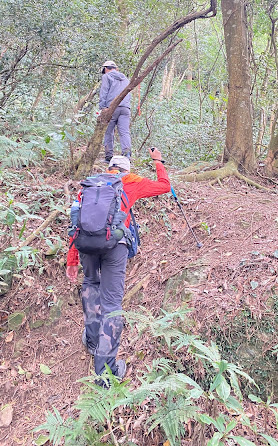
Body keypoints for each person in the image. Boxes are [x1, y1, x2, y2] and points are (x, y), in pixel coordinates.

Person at [66, 147, 170, 382]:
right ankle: (105, 373)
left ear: (109, 168)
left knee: (91, 285)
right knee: (112, 303)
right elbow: (164, 186)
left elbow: (77, 222)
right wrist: (158, 161)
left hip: (86, 245)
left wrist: (72, 260)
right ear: (126, 169)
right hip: (115, 246)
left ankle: (92, 342)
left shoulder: (91, 186)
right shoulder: (131, 182)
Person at [99, 60, 131, 163]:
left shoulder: (106, 77)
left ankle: (109, 157)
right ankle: (127, 155)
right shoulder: (125, 78)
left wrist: (103, 107)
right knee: (124, 132)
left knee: (108, 132)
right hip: (125, 108)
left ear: (105, 68)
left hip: (112, 108)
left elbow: (104, 92)